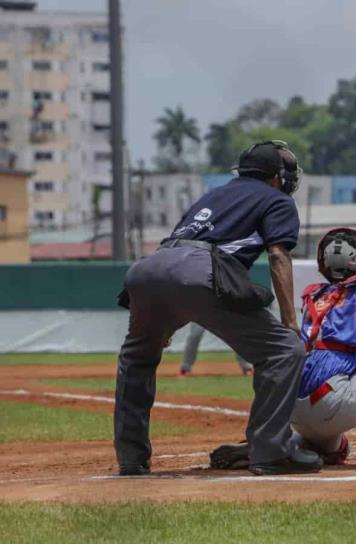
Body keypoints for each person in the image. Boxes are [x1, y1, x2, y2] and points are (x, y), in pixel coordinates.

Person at [114, 140, 320, 476]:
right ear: (275, 177)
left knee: (136, 360)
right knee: (285, 351)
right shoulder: (277, 199)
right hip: (199, 271)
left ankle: (130, 458)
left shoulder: (212, 196)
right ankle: (269, 453)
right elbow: (279, 256)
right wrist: (290, 322)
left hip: (147, 269)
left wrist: (160, 325)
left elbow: (174, 256)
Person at [210, 227, 356, 469]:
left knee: (337, 449)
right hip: (329, 402)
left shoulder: (316, 295)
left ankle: (289, 443)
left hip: (294, 407)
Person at [178, 323, 253, 377]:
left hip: (220, 308)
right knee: (195, 335)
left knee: (236, 334)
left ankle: (246, 366)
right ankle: (185, 368)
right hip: (202, 310)